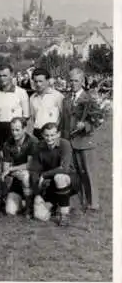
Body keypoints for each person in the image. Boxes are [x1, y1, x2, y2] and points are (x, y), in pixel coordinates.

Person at [60, 68, 100, 212]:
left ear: (82, 81)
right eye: (70, 80)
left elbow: (97, 119)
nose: (73, 83)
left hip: (84, 142)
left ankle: (93, 203)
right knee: (74, 173)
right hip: (69, 142)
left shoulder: (89, 98)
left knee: (88, 172)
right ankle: (78, 202)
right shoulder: (66, 99)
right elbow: (63, 120)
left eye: (76, 80)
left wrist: (85, 125)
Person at [31, 122, 79, 226]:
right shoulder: (39, 147)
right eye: (47, 135)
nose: (49, 138)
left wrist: (44, 175)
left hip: (69, 180)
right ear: (42, 135)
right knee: (40, 216)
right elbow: (35, 170)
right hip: (50, 184)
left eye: (52, 135)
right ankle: (56, 204)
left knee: (59, 177)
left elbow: (64, 169)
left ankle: (64, 215)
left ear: (58, 134)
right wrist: (37, 192)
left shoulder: (65, 144)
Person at [1, 117, 39, 217]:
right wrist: (13, 172)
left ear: (24, 128)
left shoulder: (33, 142)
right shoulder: (7, 143)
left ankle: (29, 207)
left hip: (31, 179)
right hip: (16, 178)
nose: (14, 133)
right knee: (10, 211)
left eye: (17, 130)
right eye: (12, 130)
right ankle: (21, 202)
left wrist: (12, 169)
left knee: (25, 175)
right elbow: (5, 168)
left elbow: (30, 165)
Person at [0, 64, 30, 148]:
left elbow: (26, 116)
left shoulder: (21, 92)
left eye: (5, 75)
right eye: (0, 76)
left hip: (15, 129)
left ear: (12, 75)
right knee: (0, 156)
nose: (2, 78)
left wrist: (19, 132)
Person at [29, 68, 64, 140]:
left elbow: (63, 116)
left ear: (47, 81)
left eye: (40, 81)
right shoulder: (32, 98)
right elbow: (33, 118)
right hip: (37, 133)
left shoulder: (57, 96)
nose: (38, 84)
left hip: (51, 135)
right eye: (36, 81)